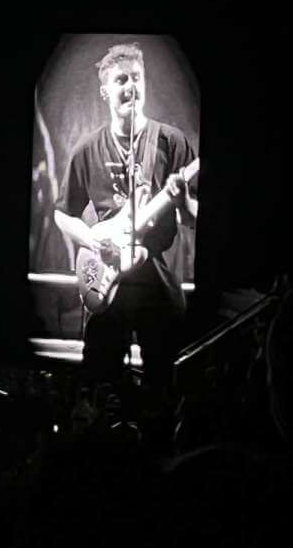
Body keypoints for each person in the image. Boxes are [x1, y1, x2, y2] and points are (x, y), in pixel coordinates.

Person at [53, 43, 197, 398]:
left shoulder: (171, 142)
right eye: (121, 80)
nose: (131, 86)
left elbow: (194, 221)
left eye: (137, 78)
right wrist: (91, 240)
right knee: (100, 387)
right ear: (105, 91)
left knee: (164, 388)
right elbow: (60, 213)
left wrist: (184, 203)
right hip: (108, 287)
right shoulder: (87, 150)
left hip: (157, 287)